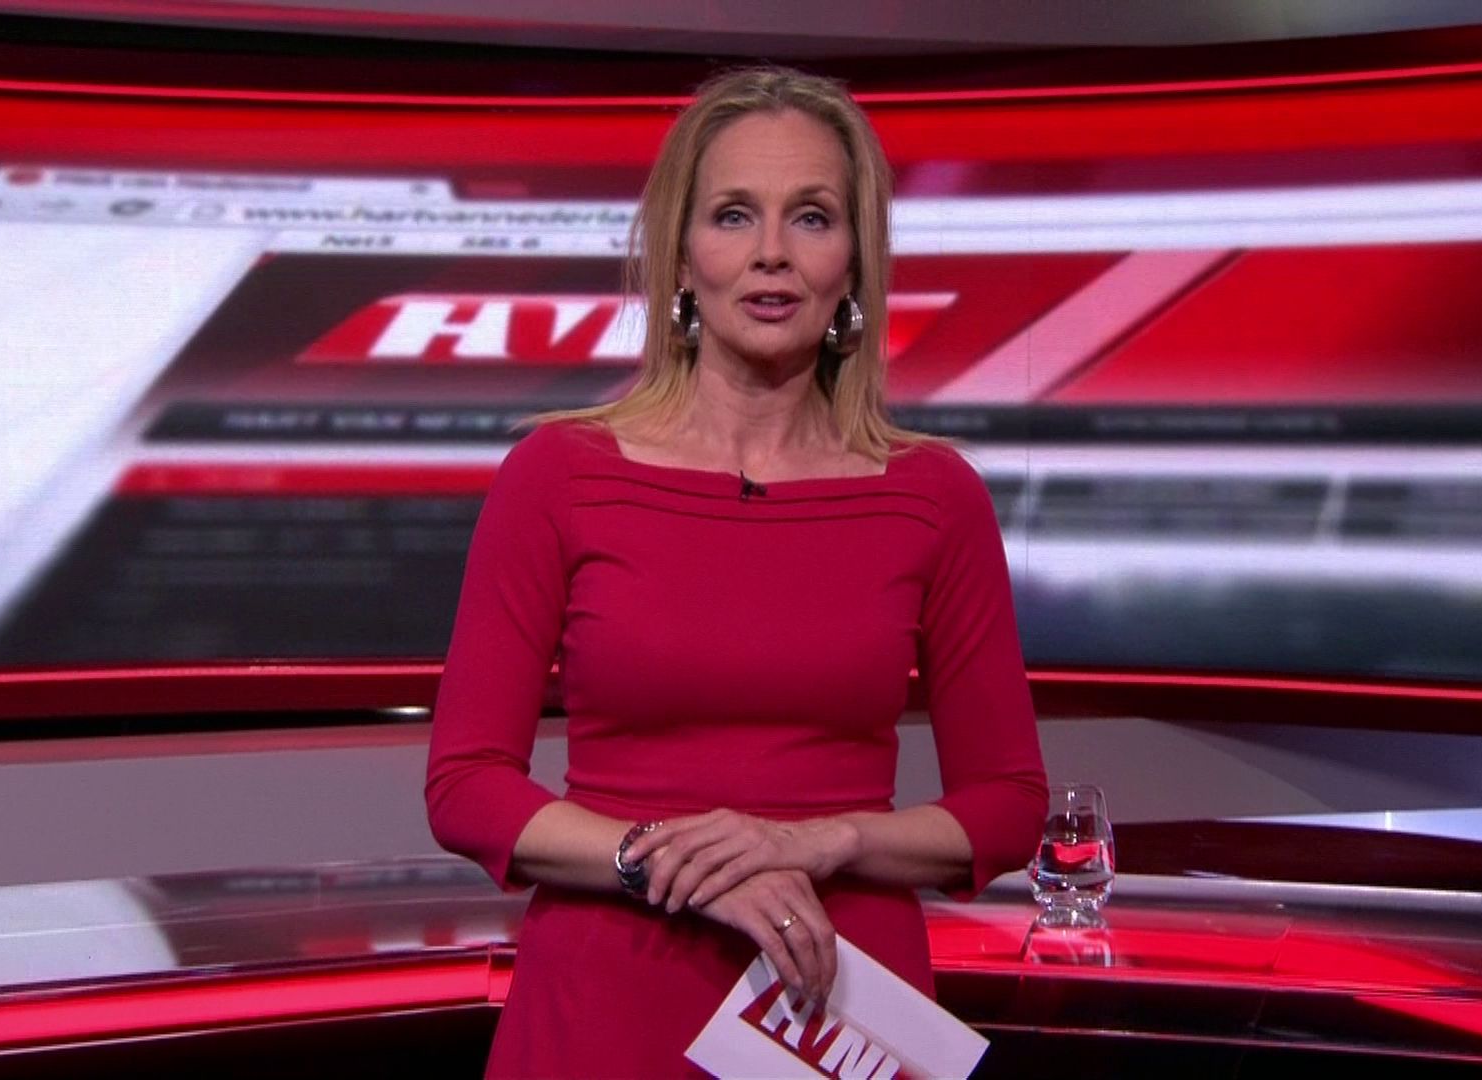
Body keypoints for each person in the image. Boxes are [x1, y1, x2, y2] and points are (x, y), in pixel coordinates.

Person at [425, 66, 1048, 1078]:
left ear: (854, 260)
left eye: (812, 217)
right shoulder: (559, 475)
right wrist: (671, 865)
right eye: (733, 215)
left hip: (833, 995)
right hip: (608, 998)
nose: (771, 253)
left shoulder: (934, 496)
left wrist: (822, 843)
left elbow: (1009, 805)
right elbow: (466, 786)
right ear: (681, 254)